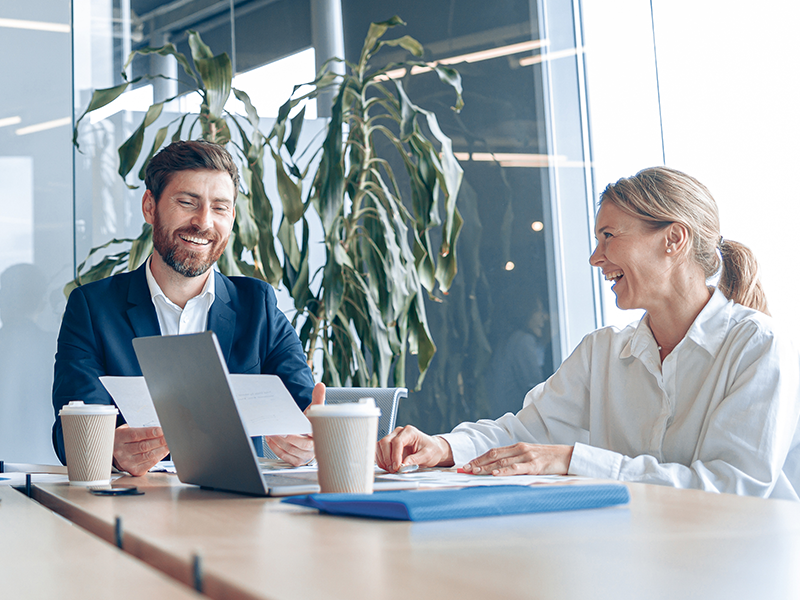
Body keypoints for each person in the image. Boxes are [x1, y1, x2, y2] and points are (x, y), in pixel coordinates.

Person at [377, 166, 800, 499]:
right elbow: (522, 434)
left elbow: (731, 490)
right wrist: (443, 447)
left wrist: (571, 460)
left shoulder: (758, 347)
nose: (596, 258)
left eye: (609, 236)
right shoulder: (602, 352)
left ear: (673, 239)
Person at [53, 140, 323, 476]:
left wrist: (309, 442)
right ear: (150, 206)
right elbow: (68, 432)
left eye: (220, 208)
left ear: (233, 217)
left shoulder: (259, 306)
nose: (204, 222)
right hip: (133, 506)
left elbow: (307, 412)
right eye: (187, 202)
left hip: (236, 509)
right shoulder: (93, 309)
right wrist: (108, 448)